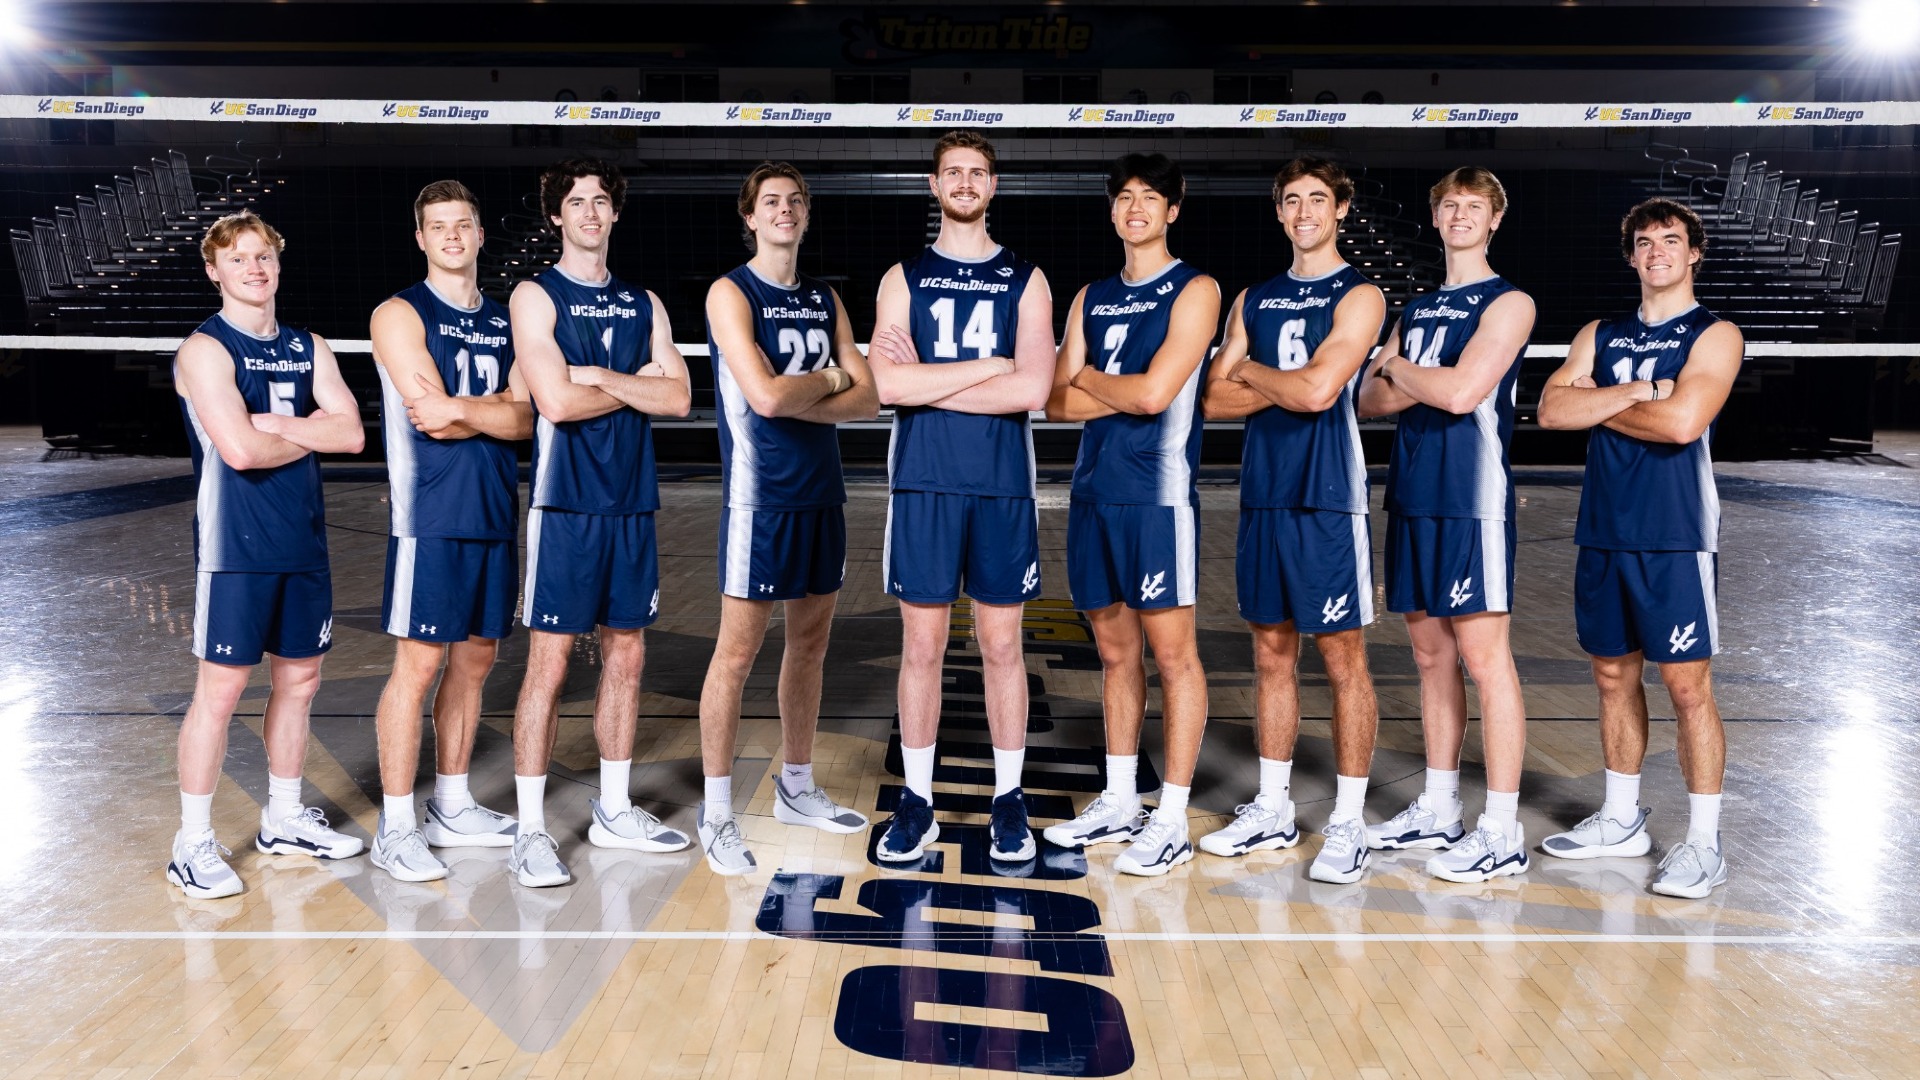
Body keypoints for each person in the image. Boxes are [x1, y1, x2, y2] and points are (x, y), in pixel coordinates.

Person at [1536, 197, 1742, 899]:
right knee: (1611, 679)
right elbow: (1552, 410)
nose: (1657, 251)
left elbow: (1684, 423)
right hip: (1604, 531)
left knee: (1687, 687)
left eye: (1671, 240)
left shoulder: (1715, 335)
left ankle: (1704, 843)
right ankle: (1622, 820)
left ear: (1694, 254)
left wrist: (1602, 400)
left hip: (1676, 536)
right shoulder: (1603, 331)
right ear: (1630, 256)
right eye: (1645, 241)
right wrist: (1643, 391)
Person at [1197, 157, 1387, 884]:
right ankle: (1273, 806)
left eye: (1318, 198)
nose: (1304, 210)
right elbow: (1213, 402)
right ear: (1278, 213)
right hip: (1264, 496)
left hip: (1327, 497)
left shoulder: (1360, 294)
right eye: (1292, 200)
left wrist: (1251, 373)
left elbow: (1317, 395)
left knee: (1342, 660)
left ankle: (1348, 822)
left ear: (1339, 209)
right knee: (1271, 655)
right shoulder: (1254, 297)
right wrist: (1282, 382)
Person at [868, 131, 1055, 863]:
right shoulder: (902, 277)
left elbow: (1033, 390)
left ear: (994, 186)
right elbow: (889, 386)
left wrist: (935, 382)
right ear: (933, 184)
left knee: (1004, 645)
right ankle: (917, 803)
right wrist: (991, 365)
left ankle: (1009, 801)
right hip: (923, 486)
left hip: (1002, 486)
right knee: (922, 646)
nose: (966, 182)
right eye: (954, 172)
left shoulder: (1028, 279)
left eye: (978, 172)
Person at [167, 211, 366, 898]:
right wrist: (312, 429)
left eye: (265, 256)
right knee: (219, 694)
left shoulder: (310, 345)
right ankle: (191, 843)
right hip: (234, 550)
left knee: (300, 685)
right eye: (239, 258)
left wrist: (283, 423)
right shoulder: (205, 350)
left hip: (302, 544)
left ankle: (283, 818)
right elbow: (242, 452)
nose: (255, 268)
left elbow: (353, 436)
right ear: (214, 270)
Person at [506, 157, 693, 888]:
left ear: (615, 213)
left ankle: (614, 810)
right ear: (556, 215)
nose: (589, 212)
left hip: (631, 502)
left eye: (600, 201)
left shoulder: (645, 301)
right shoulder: (535, 295)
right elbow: (555, 402)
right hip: (564, 505)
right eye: (575, 201)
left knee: (628, 658)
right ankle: (529, 832)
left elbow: (678, 399)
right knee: (549, 667)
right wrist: (637, 385)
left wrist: (602, 380)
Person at [695, 162, 879, 875]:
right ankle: (716, 814)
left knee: (810, 646)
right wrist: (832, 377)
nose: (784, 210)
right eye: (771, 201)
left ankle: (795, 787)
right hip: (760, 496)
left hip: (821, 493)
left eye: (795, 201)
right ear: (749, 216)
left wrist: (820, 387)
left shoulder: (825, 297)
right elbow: (766, 400)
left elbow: (870, 399)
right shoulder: (730, 292)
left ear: (806, 216)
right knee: (736, 655)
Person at [1041, 152, 1220, 877]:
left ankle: (1171, 816)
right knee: (1115, 655)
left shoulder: (1197, 289)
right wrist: (1105, 384)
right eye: (1124, 197)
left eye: (1150, 197)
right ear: (1112, 210)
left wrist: (1088, 376)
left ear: (1173, 209)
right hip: (1092, 494)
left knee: (1174, 657)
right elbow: (1056, 404)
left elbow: (1155, 398)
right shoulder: (1089, 295)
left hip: (1158, 497)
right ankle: (1120, 799)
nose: (1135, 207)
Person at [1356, 167, 1536, 883]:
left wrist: (1401, 370)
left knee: (1486, 661)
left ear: (1495, 219)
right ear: (1434, 218)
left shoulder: (1510, 301)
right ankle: (1439, 806)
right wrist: (1404, 373)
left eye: (1474, 206)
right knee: (1430, 659)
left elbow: (1463, 392)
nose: (1460, 215)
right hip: (1413, 496)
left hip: (1472, 500)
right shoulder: (1420, 306)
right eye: (1449, 205)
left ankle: (1501, 827)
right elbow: (1369, 401)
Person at [366, 181, 535, 883]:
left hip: (494, 512)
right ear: (421, 238)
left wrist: (476, 409)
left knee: (475, 662)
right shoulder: (398, 314)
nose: (453, 236)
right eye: (439, 227)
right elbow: (429, 416)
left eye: (463, 224)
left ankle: (453, 803)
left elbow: (526, 420)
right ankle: (396, 827)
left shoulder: (507, 320)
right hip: (429, 517)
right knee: (419, 667)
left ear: (479, 232)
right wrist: (490, 406)